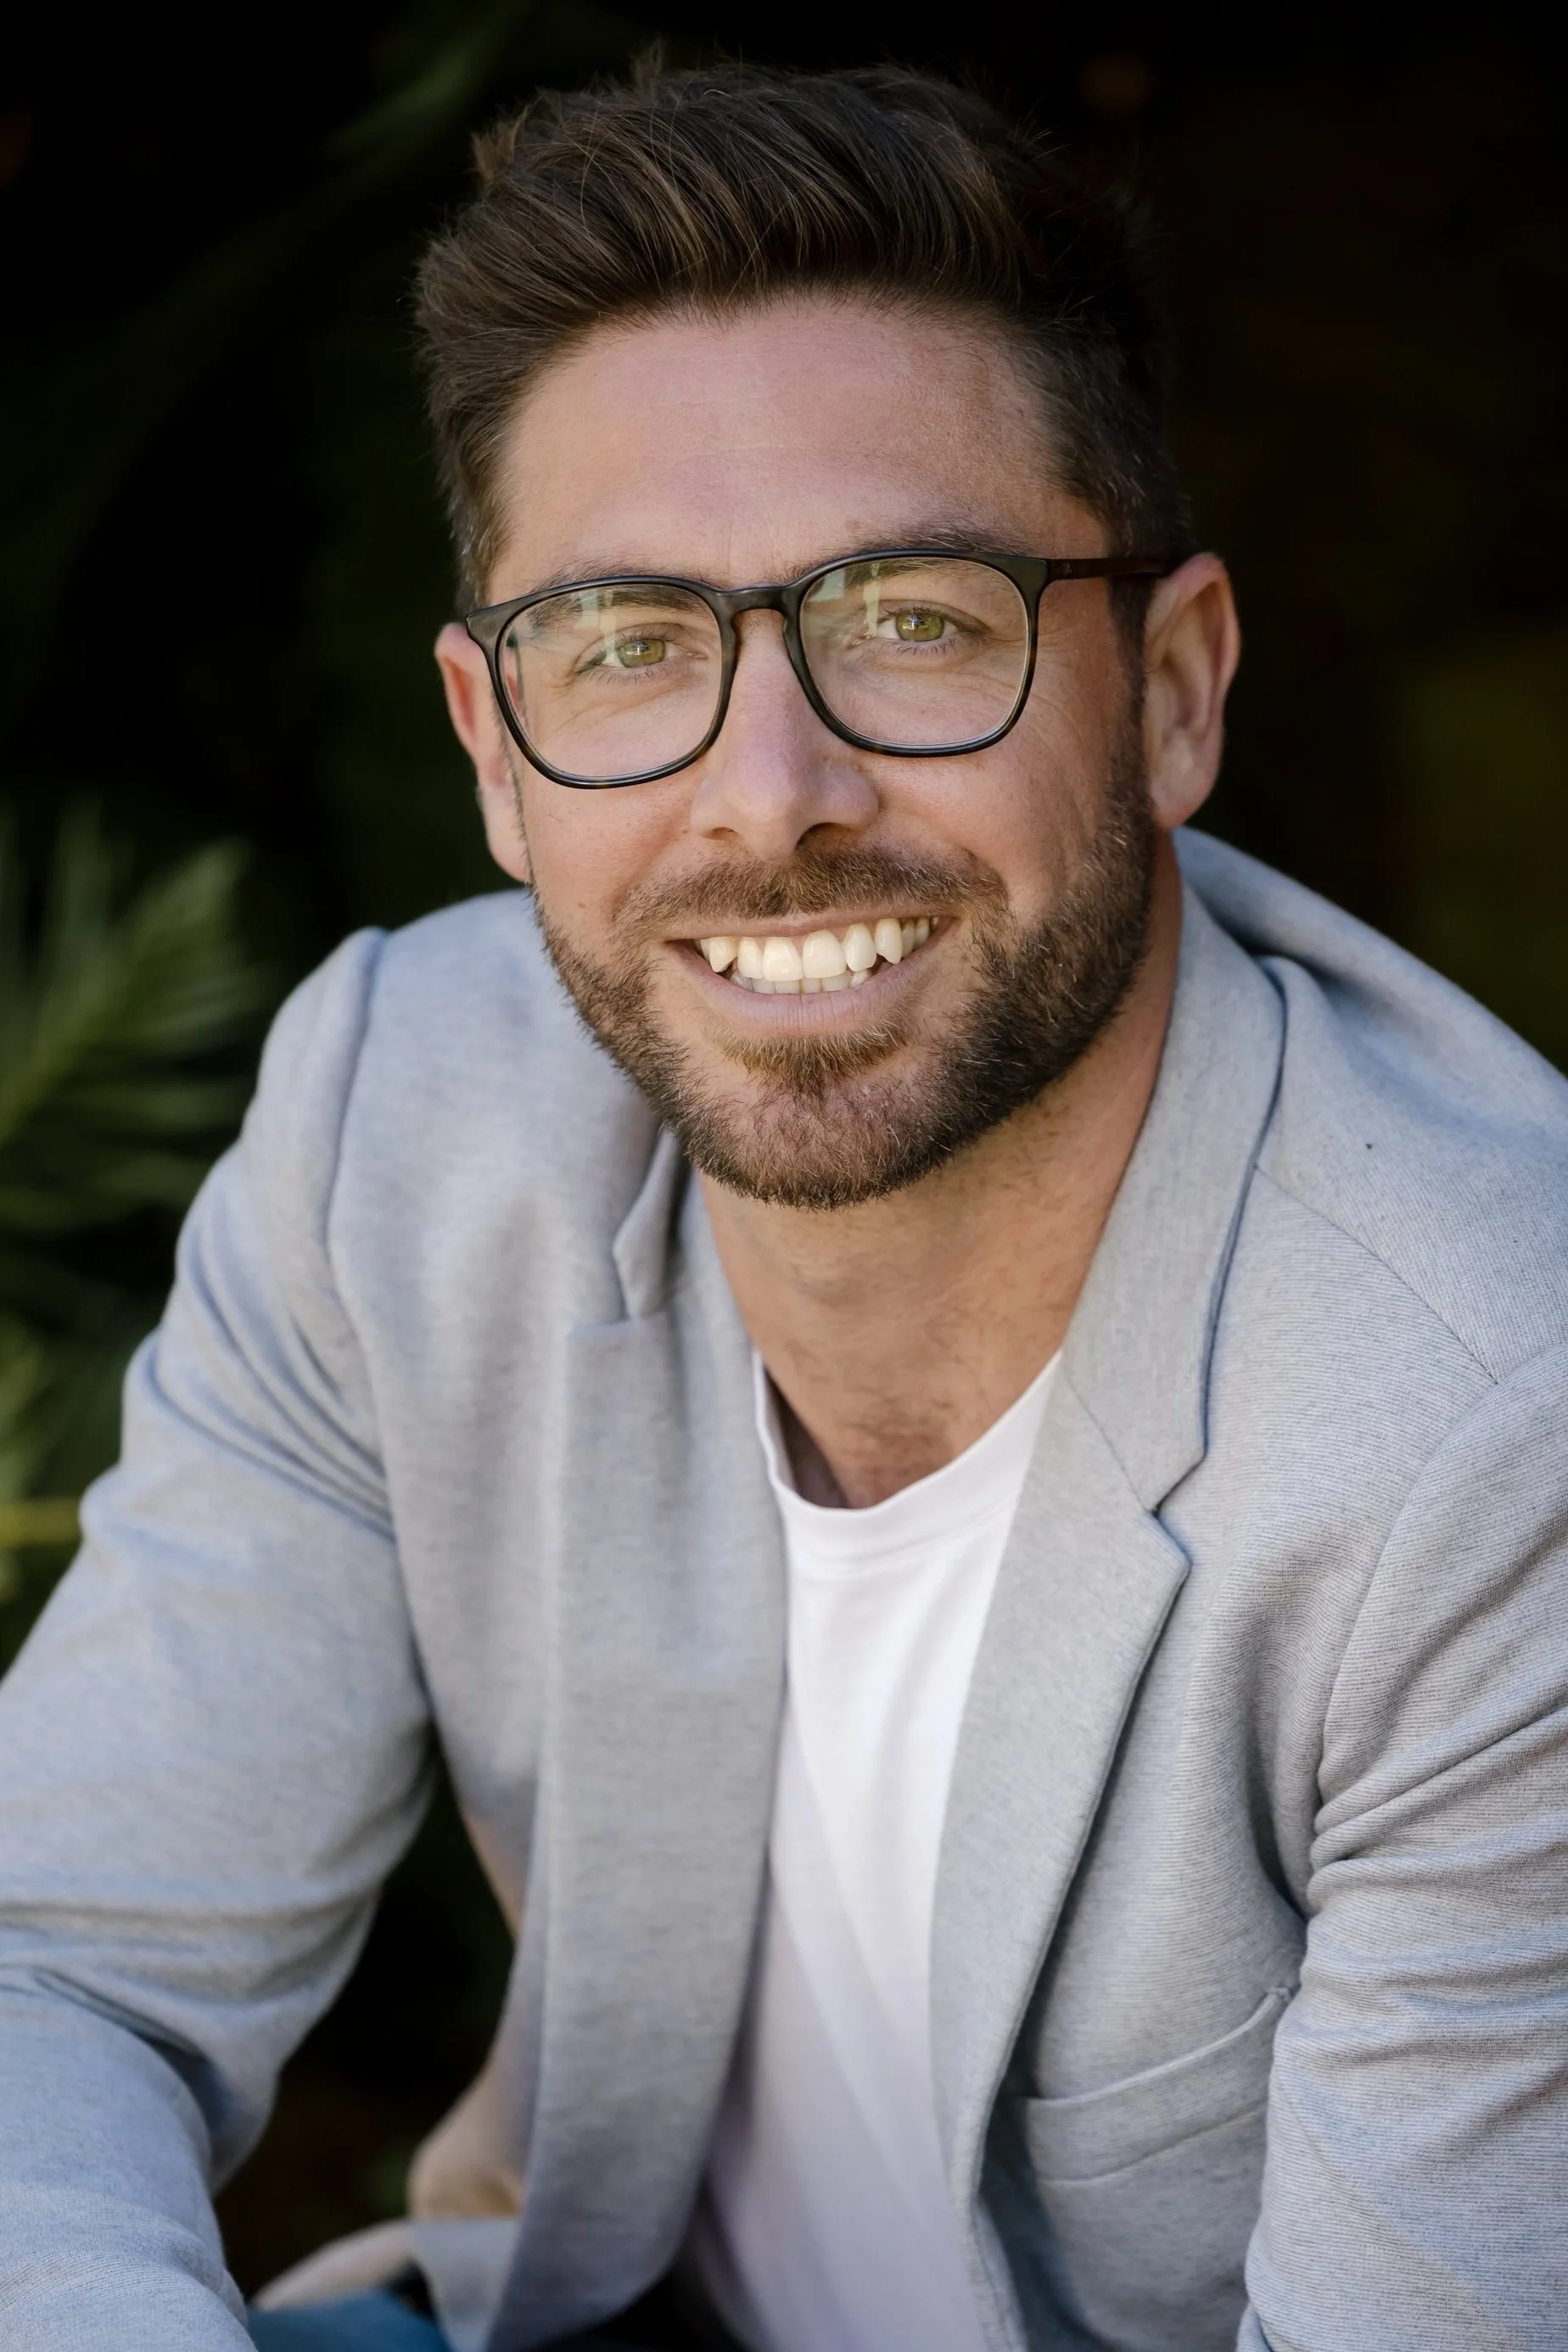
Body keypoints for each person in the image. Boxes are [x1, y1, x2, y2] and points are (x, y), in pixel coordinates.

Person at [2, 59, 1566, 2352]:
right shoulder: (398, 1114)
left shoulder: (1491, 1437)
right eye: (627, 645)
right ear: (492, 752)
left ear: (1177, 692)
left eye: (916, 617)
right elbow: (57, 1957)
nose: (775, 795)